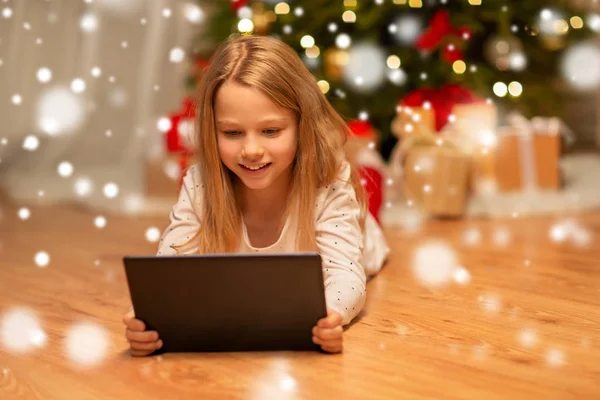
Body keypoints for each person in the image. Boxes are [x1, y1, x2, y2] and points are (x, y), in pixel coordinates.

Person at [123, 34, 389, 356]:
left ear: (302, 125)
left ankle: (370, 203)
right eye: (233, 133)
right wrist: (150, 316)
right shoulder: (201, 183)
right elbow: (171, 268)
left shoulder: (328, 182)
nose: (251, 150)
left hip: (360, 244)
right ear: (212, 130)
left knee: (366, 239)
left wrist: (330, 316)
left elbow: (346, 275)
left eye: (271, 131)